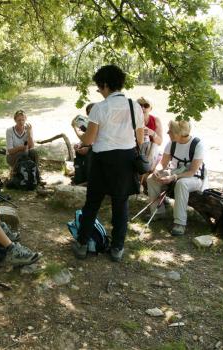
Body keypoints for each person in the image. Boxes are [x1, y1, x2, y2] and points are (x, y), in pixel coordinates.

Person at [71, 65, 144, 262]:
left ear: (105, 85)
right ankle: (117, 248)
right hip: (127, 159)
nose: (99, 91)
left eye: (98, 87)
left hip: (103, 160)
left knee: (92, 203)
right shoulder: (134, 106)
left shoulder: (99, 108)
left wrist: (80, 130)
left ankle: (83, 244)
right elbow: (141, 138)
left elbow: (88, 140)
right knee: (120, 205)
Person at [146, 120, 207, 236]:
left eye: (171, 131)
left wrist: (173, 177)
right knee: (151, 179)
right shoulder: (171, 143)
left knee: (181, 184)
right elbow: (163, 163)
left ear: (179, 133)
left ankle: (180, 223)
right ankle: (158, 213)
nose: (168, 132)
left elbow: (192, 171)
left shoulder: (197, 145)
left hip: (195, 178)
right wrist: (157, 171)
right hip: (176, 172)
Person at [137, 97, 163, 182]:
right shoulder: (133, 120)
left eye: (146, 105)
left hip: (150, 151)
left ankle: (141, 182)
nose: (142, 108)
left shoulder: (155, 120)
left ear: (150, 108)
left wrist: (153, 133)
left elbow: (160, 142)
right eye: (140, 105)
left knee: (153, 146)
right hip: (136, 147)